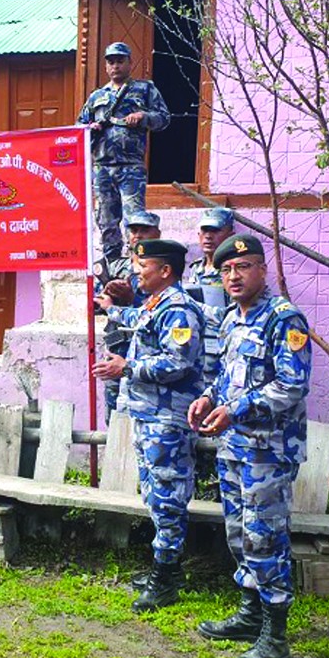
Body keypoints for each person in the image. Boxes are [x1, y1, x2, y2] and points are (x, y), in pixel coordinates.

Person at [186, 234, 312, 658]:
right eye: (226, 270)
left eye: (242, 267)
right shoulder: (231, 319)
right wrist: (208, 397)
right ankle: (249, 615)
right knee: (240, 534)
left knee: (266, 538)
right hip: (234, 447)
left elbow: (291, 385)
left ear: (262, 270)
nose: (233, 276)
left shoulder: (284, 319)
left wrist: (235, 409)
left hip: (268, 452)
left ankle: (275, 639)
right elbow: (226, 375)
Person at [94, 239, 204, 614]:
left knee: (169, 497)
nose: (137, 273)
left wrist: (126, 367)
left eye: (143, 267)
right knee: (155, 494)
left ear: (165, 271)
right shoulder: (155, 305)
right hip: (148, 416)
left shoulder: (179, 310)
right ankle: (166, 569)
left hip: (168, 419)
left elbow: (178, 363)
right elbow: (137, 319)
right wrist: (111, 309)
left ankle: (166, 577)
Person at [78, 41, 170, 264]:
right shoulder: (96, 96)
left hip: (131, 167)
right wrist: (90, 128)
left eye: (120, 61)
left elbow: (164, 118)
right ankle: (112, 266)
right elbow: (80, 126)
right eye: (111, 62)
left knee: (134, 220)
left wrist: (144, 117)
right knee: (106, 220)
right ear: (106, 66)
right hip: (102, 168)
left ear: (129, 63)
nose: (115, 66)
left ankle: (137, 265)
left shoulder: (145, 89)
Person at [94, 209, 162, 419]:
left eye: (145, 230)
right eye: (134, 230)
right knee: (115, 415)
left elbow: (160, 306)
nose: (138, 235)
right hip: (117, 347)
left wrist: (131, 299)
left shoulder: (162, 269)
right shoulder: (114, 267)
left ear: (157, 234)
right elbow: (94, 304)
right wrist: (108, 296)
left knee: (146, 411)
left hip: (147, 351)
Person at [184, 206, 235, 387]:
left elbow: (235, 316)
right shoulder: (195, 268)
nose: (208, 236)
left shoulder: (233, 272)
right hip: (193, 352)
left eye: (215, 231)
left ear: (230, 235)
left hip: (219, 354)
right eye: (204, 231)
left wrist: (192, 305)